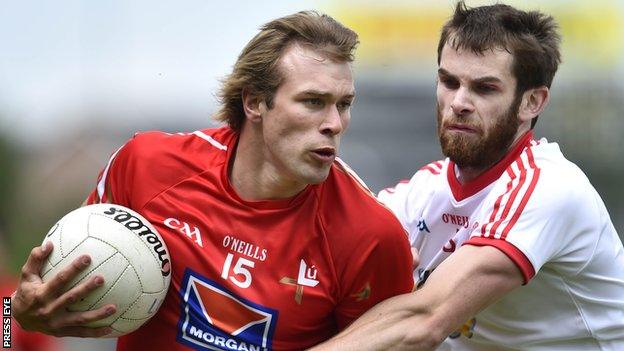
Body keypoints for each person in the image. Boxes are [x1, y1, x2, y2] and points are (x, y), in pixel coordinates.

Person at [10, 11, 414, 351]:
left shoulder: (370, 235)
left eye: (344, 105)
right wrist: (18, 315)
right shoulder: (147, 166)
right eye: (313, 102)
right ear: (254, 101)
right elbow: (20, 310)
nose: (334, 124)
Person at [311, 2, 624, 350]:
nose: (459, 101)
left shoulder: (550, 188)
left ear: (532, 102)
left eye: (484, 88)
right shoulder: (423, 190)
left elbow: (423, 321)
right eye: (449, 81)